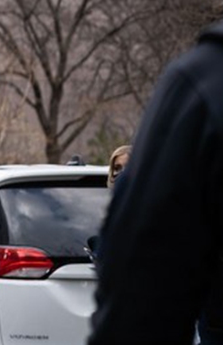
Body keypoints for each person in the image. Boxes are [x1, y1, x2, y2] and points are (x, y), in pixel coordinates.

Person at [89, 23, 223, 344]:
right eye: (116, 169)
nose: (121, 173)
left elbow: (140, 302)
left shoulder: (203, 85)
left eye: (126, 167)